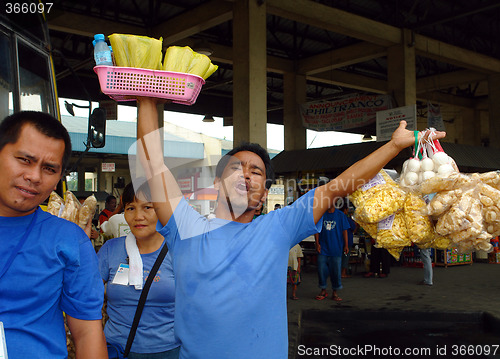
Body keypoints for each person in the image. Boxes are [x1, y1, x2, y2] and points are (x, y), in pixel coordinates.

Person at [134, 96, 446, 359]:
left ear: (265, 192)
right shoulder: (186, 227)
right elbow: (152, 165)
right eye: (235, 168)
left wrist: (393, 146)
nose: (246, 175)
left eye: (256, 172)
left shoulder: (277, 227)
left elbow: (337, 187)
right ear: (217, 183)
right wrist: (146, 97)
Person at [0, 111, 107, 358]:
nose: (34, 177)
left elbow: (87, 333)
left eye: (49, 168)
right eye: (25, 160)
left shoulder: (70, 241)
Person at [98, 181, 180, 358]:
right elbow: (87, 299)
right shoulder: (110, 250)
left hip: (169, 350)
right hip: (117, 349)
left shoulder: (179, 251)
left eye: (147, 207)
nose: (138, 216)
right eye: (131, 208)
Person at [314, 201, 350, 301]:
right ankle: (323, 290)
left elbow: (345, 230)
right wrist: (317, 243)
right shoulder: (321, 215)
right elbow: (316, 230)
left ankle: (335, 292)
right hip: (323, 249)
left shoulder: (340, 215)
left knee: (336, 271)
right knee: (321, 270)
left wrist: (346, 245)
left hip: (336, 249)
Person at [341, 201, 358, 278]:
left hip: (339, 241)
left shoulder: (338, 218)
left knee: (339, 257)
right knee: (345, 257)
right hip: (347, 242)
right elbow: (354, 229)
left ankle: (338, 272)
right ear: (345, 210)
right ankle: (343, 273)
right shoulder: (347, 219)